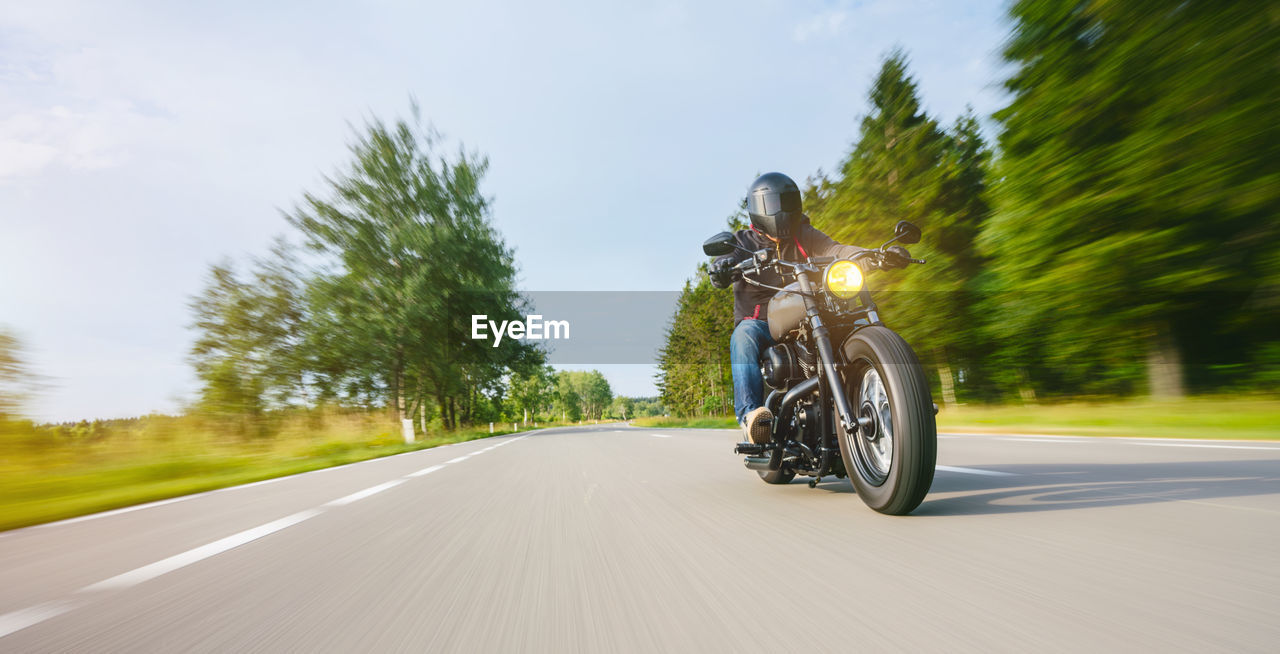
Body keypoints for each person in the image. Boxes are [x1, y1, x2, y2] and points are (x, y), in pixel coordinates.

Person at [709, 172, 901, 445]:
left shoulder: (805, 234)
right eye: (774, 204)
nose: (780, 210)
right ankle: (751, 417)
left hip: (810, 314)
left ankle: (890, 393)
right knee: (743, 336)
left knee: (858, 325)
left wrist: (872, 255)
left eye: (786, 202)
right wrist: (721, 268)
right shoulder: (742, 243)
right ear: (758, 209)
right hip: (763, 321)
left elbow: (836, 249)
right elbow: (723, 264)